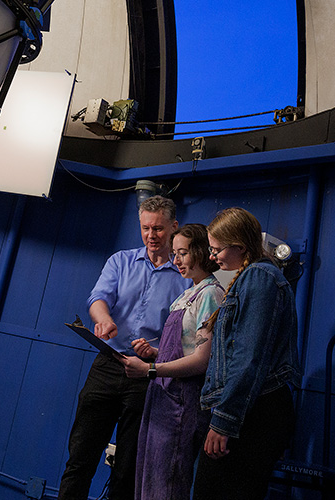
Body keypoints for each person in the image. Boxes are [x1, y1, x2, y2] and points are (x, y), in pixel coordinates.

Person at [58, 196, 191, 500]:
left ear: (174, 226)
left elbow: (185, 334)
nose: (151, 235)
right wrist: (104, 319)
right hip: (108, 364)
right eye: (145, 228)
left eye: (158, 228)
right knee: (80, 458)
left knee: (128, 469)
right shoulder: (120, 261)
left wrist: (156, 354)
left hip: (148, 376)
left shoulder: (185, 276)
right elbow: (98, 298)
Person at [193, 207, 301, 500]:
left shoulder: (259, 277)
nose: (212, 257)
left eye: (216, 250)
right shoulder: (250, 277)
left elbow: (248, 357)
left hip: (254, 412)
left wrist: (224, 421)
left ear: (240, 247)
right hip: (250, 409)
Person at [118, 223, 225, 500]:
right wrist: (155, 353)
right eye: (174, 254)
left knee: (168, 486)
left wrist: (150, 370)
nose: (176, 260)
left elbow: (201, 360)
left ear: (201, 252)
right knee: (152, 481)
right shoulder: (186, 295)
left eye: (183, 253)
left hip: (182, 404)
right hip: (162, 400)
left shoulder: (210, 295)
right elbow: (184, 348)